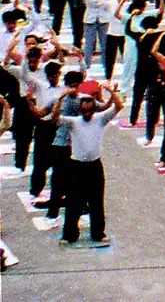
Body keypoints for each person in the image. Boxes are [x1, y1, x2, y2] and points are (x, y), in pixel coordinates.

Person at [58, 82, 122, 248]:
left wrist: (109, 91)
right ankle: (70, 234)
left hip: (94, 165)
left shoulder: (100, 119)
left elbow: (118, 106)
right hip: (77, 166)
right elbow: (55, 118)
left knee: (96, 201)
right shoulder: (74, 122)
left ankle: (98, 233)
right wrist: (61, 98)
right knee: (73, 202)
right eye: (84, 111)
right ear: (80, 110)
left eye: (89, 111)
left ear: (94, 110)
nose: (86, 114)